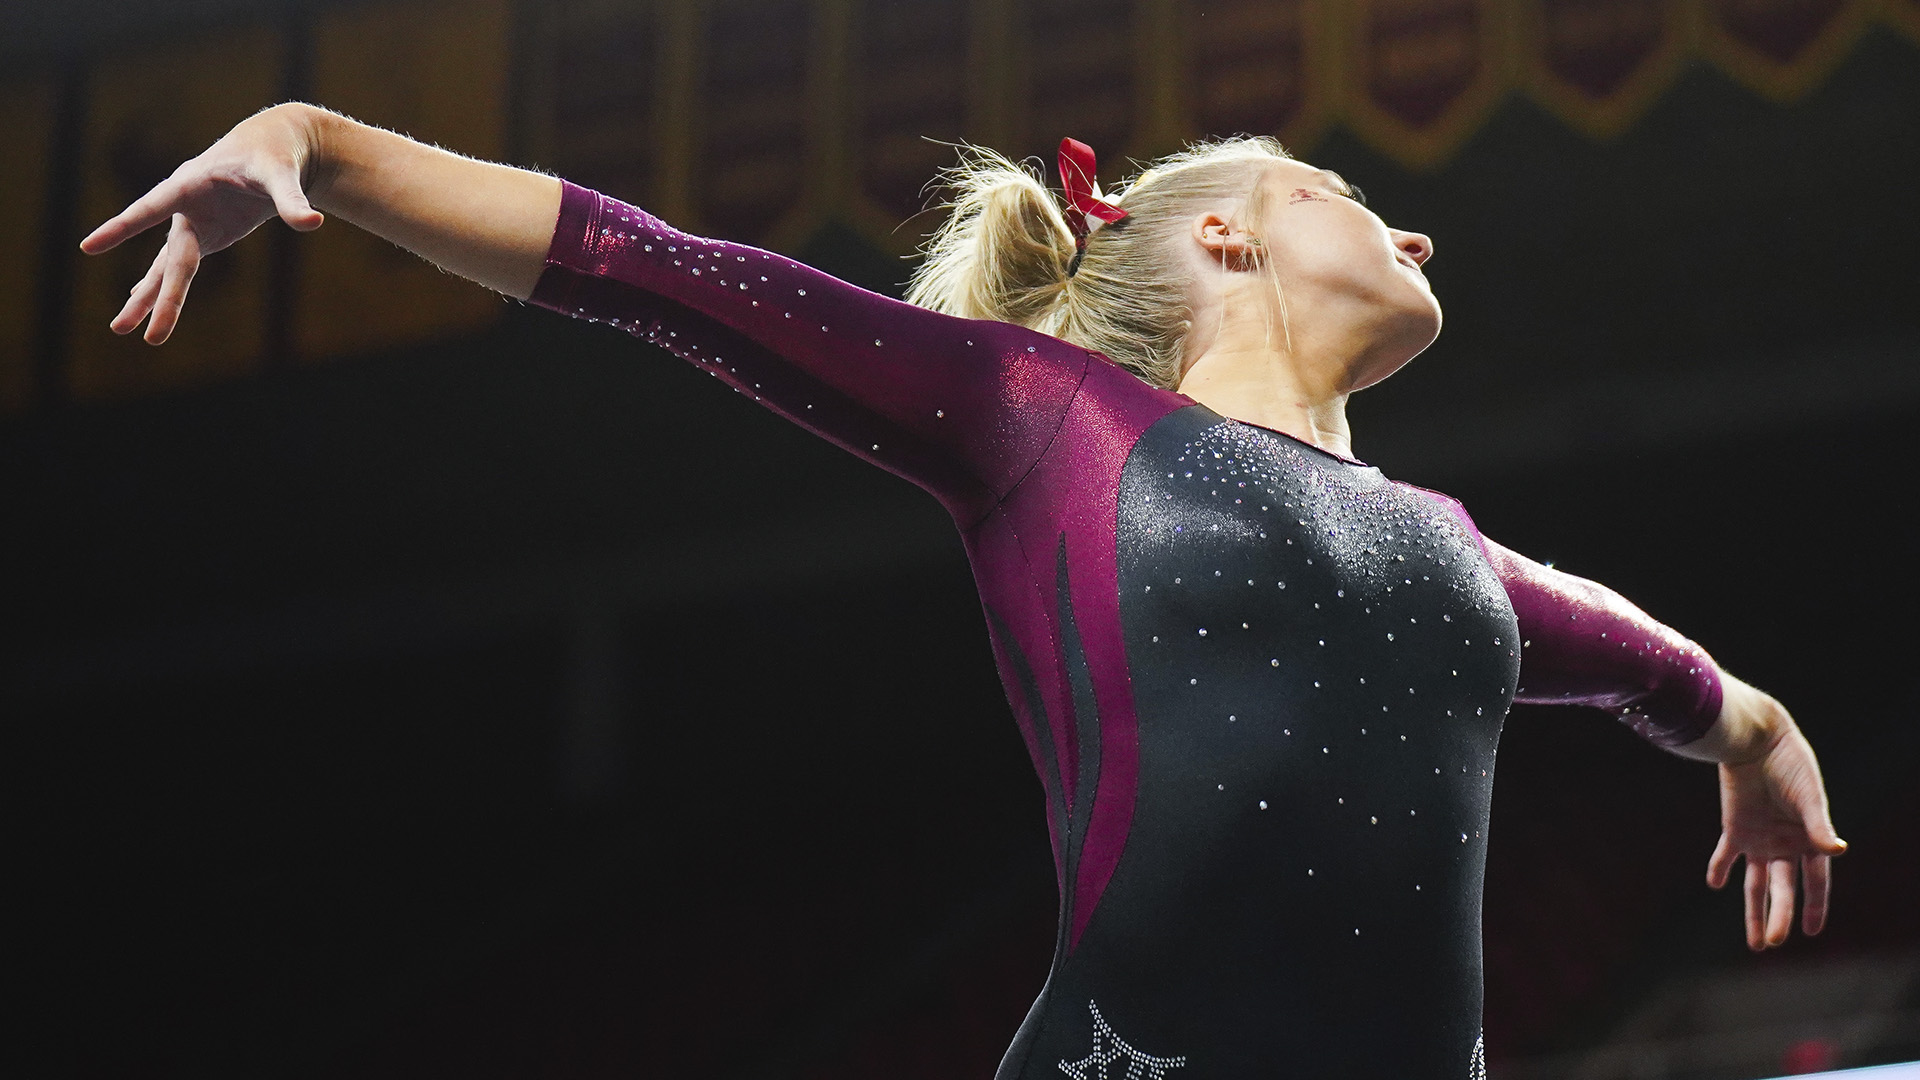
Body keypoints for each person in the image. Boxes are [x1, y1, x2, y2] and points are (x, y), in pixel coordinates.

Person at [83, 103, 1845, 1078]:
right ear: (1223, 235)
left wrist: (1755, 741)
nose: (1424, 233)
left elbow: (1642, 663)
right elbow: (649, 267)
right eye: (1344, 188)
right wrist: (319, 143)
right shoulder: (1038, 419)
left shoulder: (1455, 552)